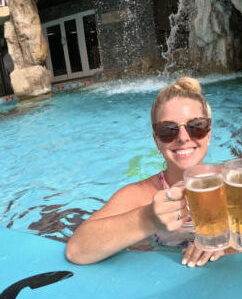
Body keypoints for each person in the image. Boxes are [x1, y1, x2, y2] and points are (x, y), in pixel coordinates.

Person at [66, 76, 224, 267]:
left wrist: (229, 243)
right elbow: (77, 251)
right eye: (168, 130)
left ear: (208, 133)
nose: (183, 137)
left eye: (196, 126)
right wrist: (148, 218)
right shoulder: (140, 196)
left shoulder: (237, 184)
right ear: (157, 140)